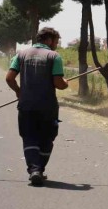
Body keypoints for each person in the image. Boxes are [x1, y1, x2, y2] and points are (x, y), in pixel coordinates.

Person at [5, 27, 69, 186]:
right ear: (49, 39)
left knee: (29, 137)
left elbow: (9, 78)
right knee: (47, 138)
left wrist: (19, 92)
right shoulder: (54, 56)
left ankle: (35, 170)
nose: (56, 44)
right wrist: (65, 84)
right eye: (56, 41)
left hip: (26, 106)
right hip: (47, 107)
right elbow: (58, 83)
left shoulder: (21, 54)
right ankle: (38, 169)